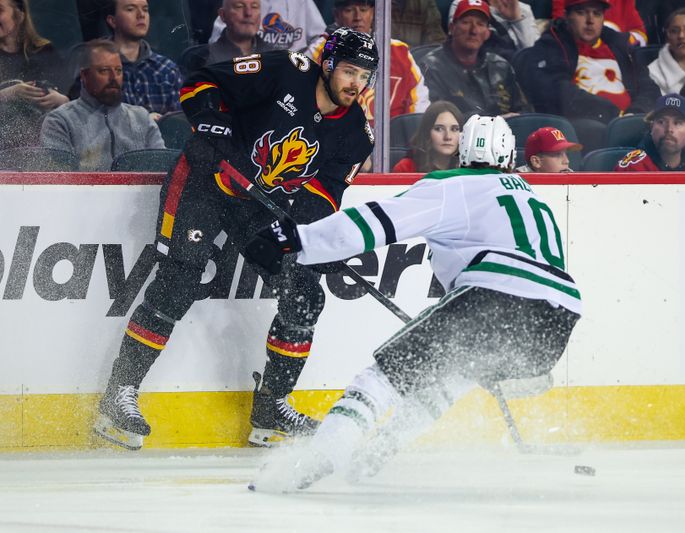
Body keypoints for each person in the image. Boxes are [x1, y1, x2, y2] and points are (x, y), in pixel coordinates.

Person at [244, 115, 582, 490]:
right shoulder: (534, 199)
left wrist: (298, 240)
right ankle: (377, 454)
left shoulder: (452, 185)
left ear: (465, 150)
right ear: (509, 154)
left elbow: (377, 222)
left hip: (495, 294)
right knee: (449, 377)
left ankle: (323, 456)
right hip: (559, 316)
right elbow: (540, 280)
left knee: (384, 376)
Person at [93, 27, 379, 451]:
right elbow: (201, 83)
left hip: (259, 205)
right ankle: (118, 396)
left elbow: (321, 199)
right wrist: (212, 124)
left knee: (304, 293)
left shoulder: (358, 133)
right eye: (350, 71)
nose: (356, 83)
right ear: (329, 65)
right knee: (178, 282)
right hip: (207, 182)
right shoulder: (285, 70)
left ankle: (271, 409)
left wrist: (304, 241)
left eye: (365, 75)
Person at [524, 0, 659, 123]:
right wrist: (614, 114)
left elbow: (649, 88)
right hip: (584, 128)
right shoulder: (551, 45)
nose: (590, 20)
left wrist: (635, 114)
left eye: (597, 13)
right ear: (566, 16)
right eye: (581, 12)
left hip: (628, 123)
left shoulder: (620, 46)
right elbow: (556, 90)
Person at [39, 40, 165, 171]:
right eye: (104, 71)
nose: (113, 78)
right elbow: (60, 179)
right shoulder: (60, 121)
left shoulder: (141, 118)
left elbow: (161, 169)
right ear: (84, 75)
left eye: (118, 70)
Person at [306, 0, 430, 123]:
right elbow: (302, 100)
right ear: (337, 15)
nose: (358, 17)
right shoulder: (320, 51)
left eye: (364, 10)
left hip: (392, 141)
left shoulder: (400, 53)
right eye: (349, 10)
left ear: (373, 13)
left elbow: (418, 114)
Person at [417, 0, 530, 117]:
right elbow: (434, 119)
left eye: (480, 24)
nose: (474, 31)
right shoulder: (431, 67)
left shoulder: (501, 66)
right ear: (451, 28)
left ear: (487, 33)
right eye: (466, 22)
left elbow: (524, 111)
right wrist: (492, 122)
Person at [0, 0, 69, 149]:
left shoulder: (45, 51)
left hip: (45, 142)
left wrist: (60, 100)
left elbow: (73, 97)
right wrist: (10, 93)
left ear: (19, 15)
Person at [105, 0, 184, 118]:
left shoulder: (166, 69)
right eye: (130, 9)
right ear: (112, 21)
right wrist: (143, 120)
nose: (141, 15)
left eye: (145, 9)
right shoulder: (99, 67)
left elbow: (181, 123)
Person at [615, 93, 685, 171]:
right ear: (652, 128)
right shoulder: (631, 168)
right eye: (661, 122)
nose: (669, 129)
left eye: (677, 123)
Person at [209, 0, 326, 52]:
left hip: (294, 71)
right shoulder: (242, 4)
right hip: (253, 69)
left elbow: (321, 38)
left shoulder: (302, 2)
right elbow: (216, 44)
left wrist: (304, 60)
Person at [447, 0, 540, 62]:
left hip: (522, 73)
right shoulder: (464, 4)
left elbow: (536, 56)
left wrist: (517, 20)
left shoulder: (522, 9)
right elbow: (461, 45)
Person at [393, 101, 463, 172]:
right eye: (439, 129)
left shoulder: (468, 168)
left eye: (454, 129)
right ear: (426, 132)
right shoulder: (406, 167)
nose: (448, 137)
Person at [206, 0, 275, 64]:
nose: (248, 13)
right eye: (239, 6)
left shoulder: (275, 57)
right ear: (223, 15)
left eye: (254, 7)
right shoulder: (205, 60)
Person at [553, 0, 648, 46]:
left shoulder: (623, 1)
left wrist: (619, 40)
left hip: (617, 61)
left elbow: (640, 34)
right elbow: (560, 26)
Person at [516, 126, 582, 172]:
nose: (566, 161)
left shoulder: (570, 177)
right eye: (557, 155)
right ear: (536, 162)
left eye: (566, 154)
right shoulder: (517, 188)